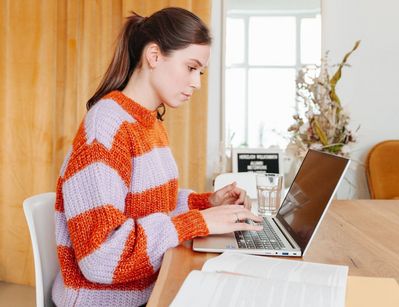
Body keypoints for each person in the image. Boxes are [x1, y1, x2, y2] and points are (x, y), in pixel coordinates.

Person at [52, 7, 262, 306]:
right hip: (106, 300)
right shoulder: (106, 127)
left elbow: (151, 207)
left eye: (199, 72)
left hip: (148, 287)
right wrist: (197, 222)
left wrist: (208, 204)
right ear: (154, 56)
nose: (197, 83)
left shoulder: (149, 124)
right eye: (190, 67)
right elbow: (100, 257)